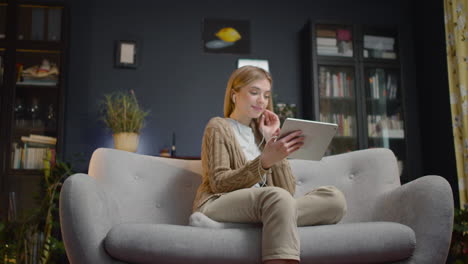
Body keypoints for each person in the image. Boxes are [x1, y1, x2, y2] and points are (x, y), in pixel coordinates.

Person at [192, 65, 347, 264]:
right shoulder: (218, 127)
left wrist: (271, 138)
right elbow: (219, 184)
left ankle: (265, 220)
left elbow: (287, 191)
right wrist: (264, 162)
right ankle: (270, 225)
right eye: (254, 92)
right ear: (234, 95)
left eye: (266, 95)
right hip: (217, 201)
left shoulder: (262, 133)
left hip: (269, 203)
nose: (261, 101)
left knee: (334, 199)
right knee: (277, 198)